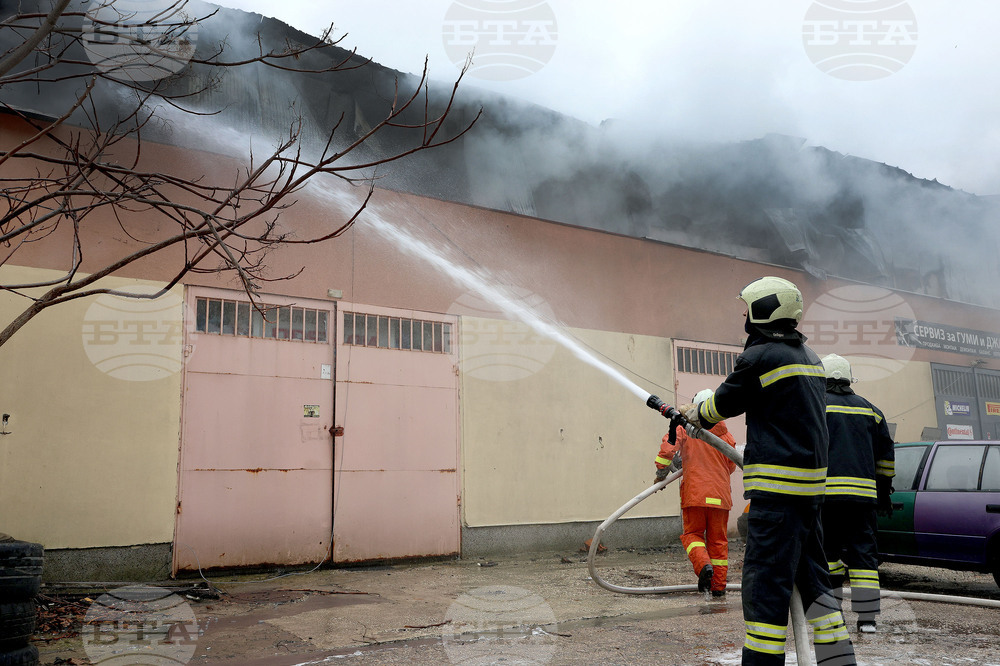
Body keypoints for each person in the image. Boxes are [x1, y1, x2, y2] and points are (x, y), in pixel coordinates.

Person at [680, 276, 856, 666]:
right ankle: (839, 662)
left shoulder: (761, 357)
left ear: (764, 310)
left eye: (748, 307)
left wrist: (698, 409)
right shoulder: (808, 357)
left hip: (776, 500)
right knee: (816, 587)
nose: (743, 314)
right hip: (808, 498)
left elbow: (721, 405)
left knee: (765, 593)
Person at [821, 353, 895, 634]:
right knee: (864, 557)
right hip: (863, 500)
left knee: (827, 553)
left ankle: (831, 614)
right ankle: (867, 620)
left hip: (825, 498)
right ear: (849, 379)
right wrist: (884, 492)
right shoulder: (872, 411)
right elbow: (886, 457)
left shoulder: (816, 408)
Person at [654, 389, 738, 597]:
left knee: (692, 535)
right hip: (720, 498)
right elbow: (732, 465)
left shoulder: (686, 428)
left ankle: (703, 567)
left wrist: (661, 473)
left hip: (696, 495)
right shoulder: (727, 436)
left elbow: (668, 448)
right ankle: (718, 587)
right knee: (718, 542)